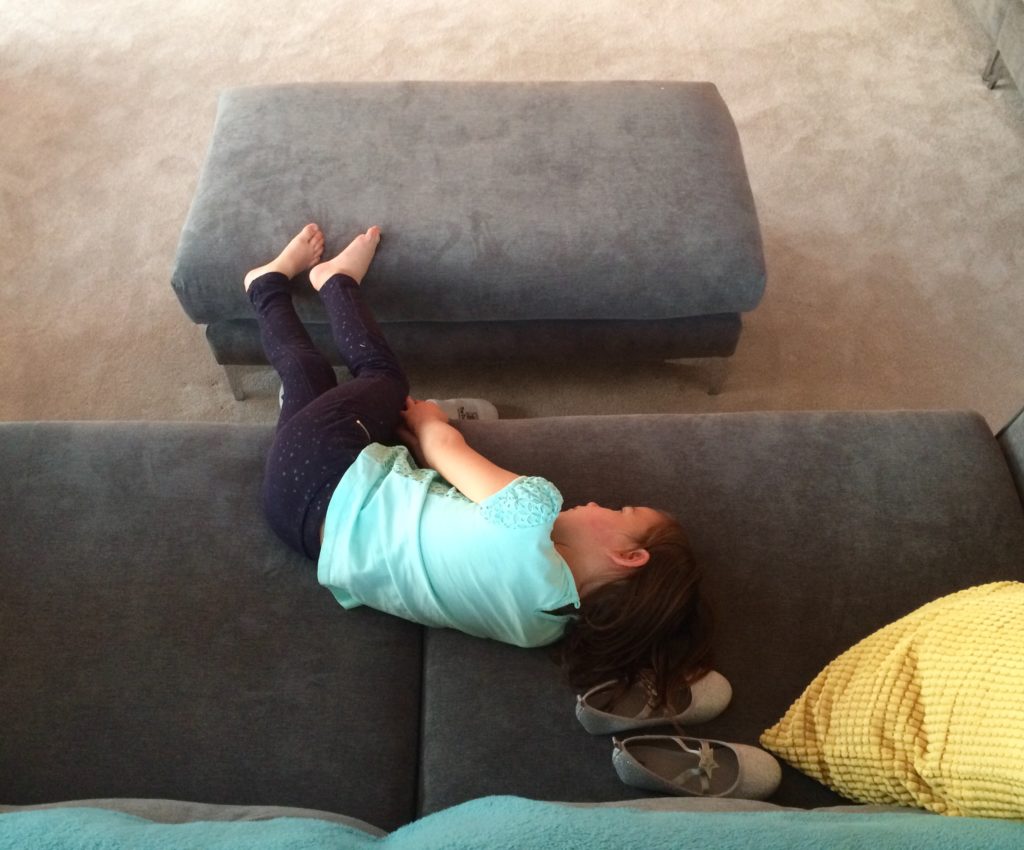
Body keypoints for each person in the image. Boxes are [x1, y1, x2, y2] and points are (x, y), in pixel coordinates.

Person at [244, 224, 713, 711]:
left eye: (623, 511)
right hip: (293, 527)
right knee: (308, 375)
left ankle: (335, 281)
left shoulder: (532, 512)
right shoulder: (537, 630)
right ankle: (267, 284)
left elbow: (444, 447)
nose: (600, 502)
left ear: (629, 556)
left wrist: (429, 423)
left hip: (323, 467)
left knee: (383, 378)